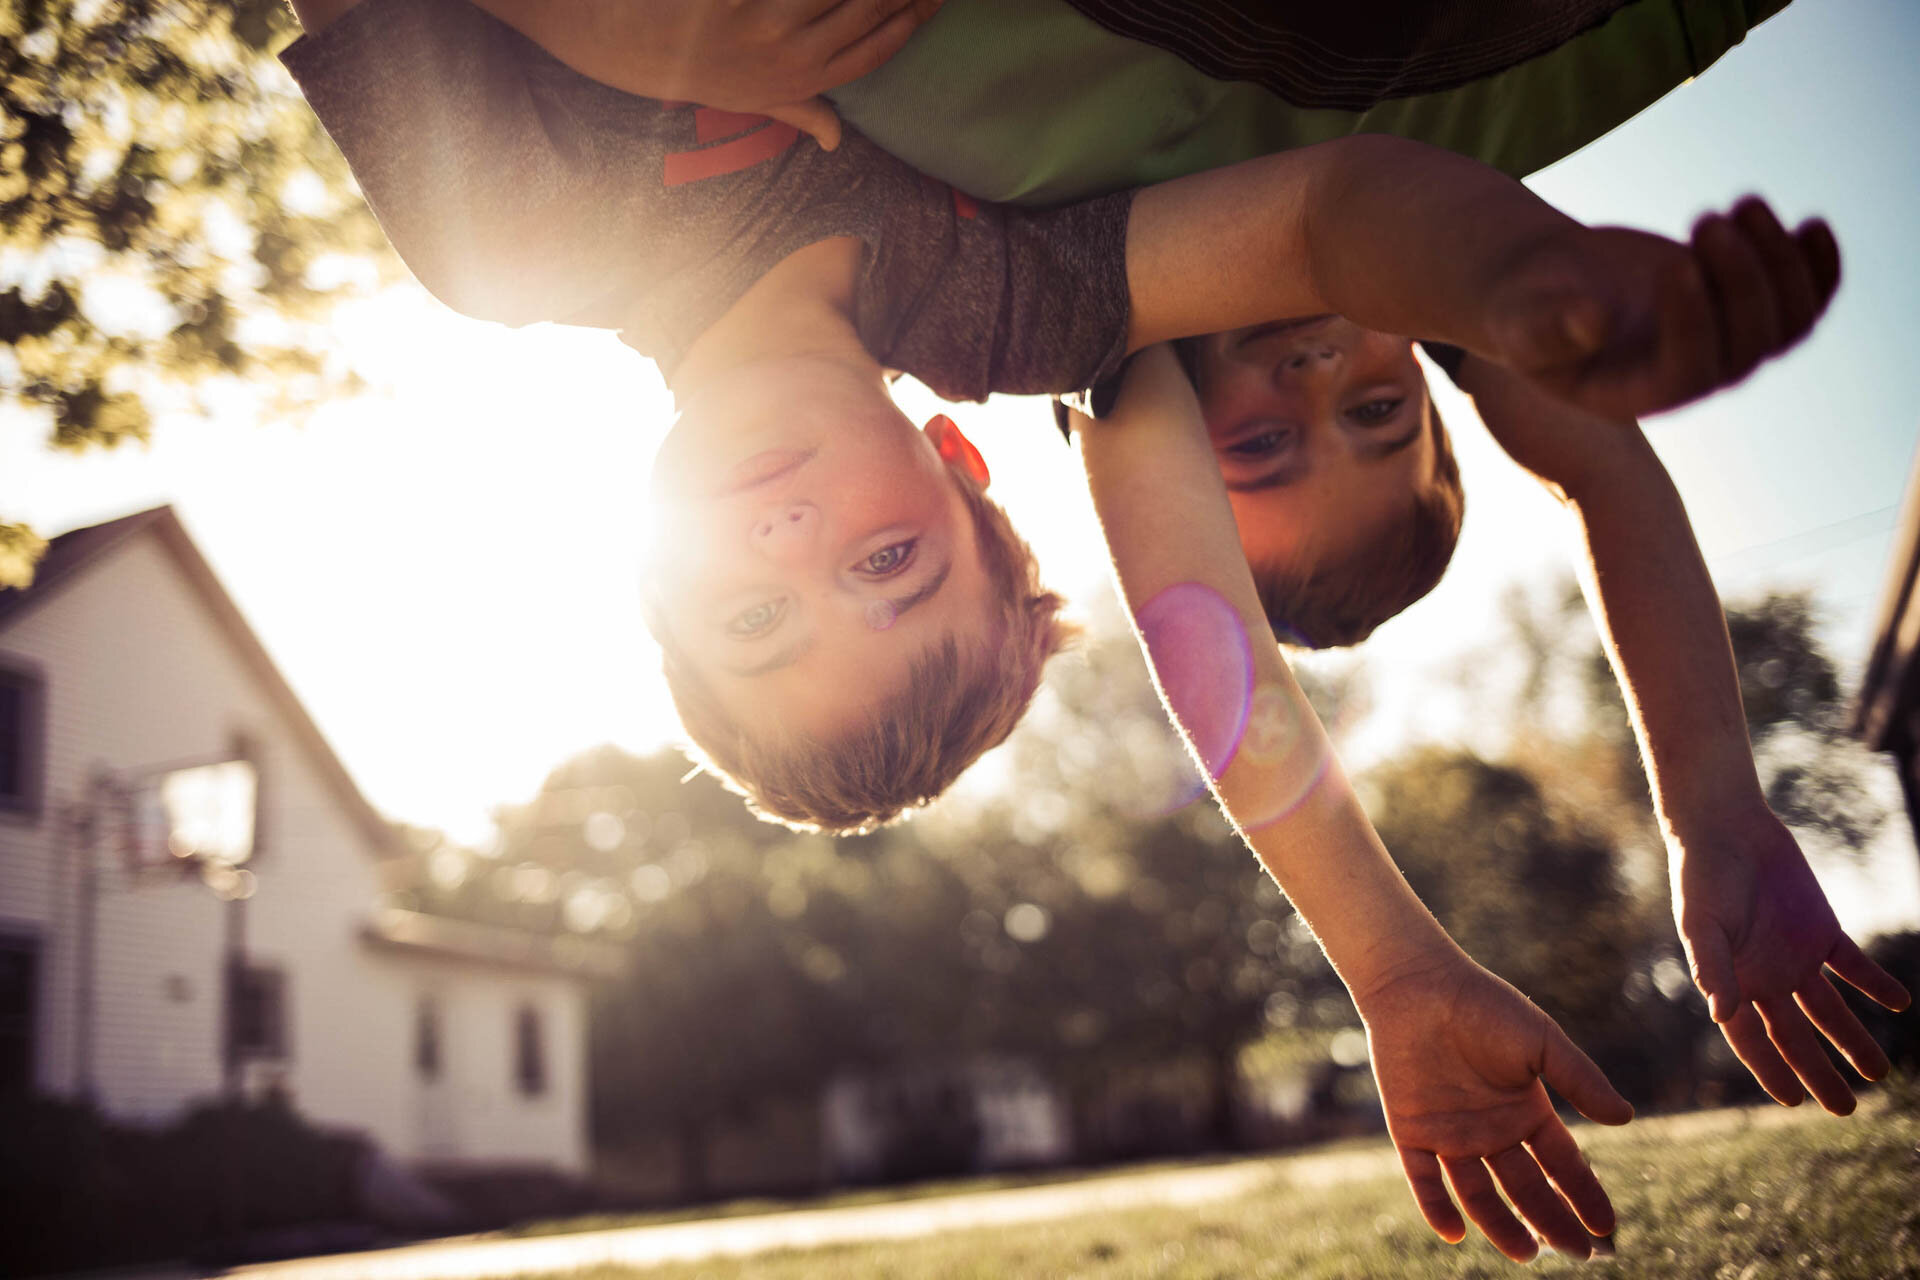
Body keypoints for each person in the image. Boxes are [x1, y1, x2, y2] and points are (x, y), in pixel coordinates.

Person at [281, 0, 1812, 834]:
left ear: (652, 578)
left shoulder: (503, 245)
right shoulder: (999, 301)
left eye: (756, 614)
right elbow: (1328, 216)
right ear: (962, 463)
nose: (800, 541)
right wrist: (1520, 280)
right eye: (891, 569)